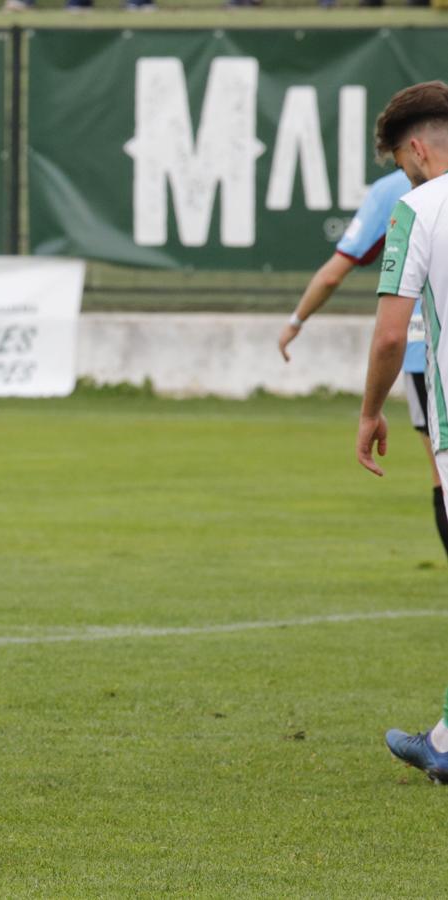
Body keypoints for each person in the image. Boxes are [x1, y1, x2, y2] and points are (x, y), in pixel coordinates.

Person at [352, 80, 448, 783]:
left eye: (401, 162)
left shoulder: (419, 209)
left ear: (416, 149)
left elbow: (391, 335)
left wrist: (368, 411)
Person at [280, 169, 448, 560]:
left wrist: (296, 321)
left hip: (429, 359)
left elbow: (335, 273)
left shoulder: (396, 192)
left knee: (442, 475)